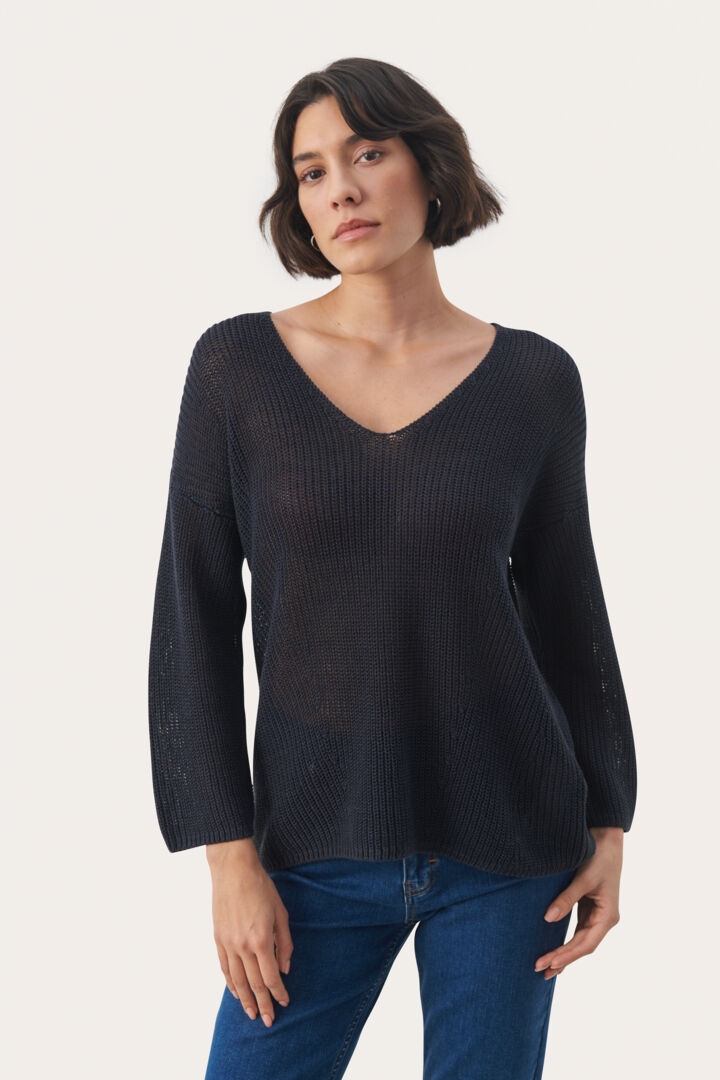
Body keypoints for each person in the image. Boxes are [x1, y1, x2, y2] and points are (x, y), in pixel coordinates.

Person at [148, 57, 637, 1079]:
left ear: (429, 164)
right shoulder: (237, 369)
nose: (342, 190)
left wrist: (609, 819)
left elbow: (570, 611)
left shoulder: (535, 380)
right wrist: (227, 859)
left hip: (511, 845)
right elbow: (193, 618)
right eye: (312, 171)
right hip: (309, 847)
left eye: (368, 154)